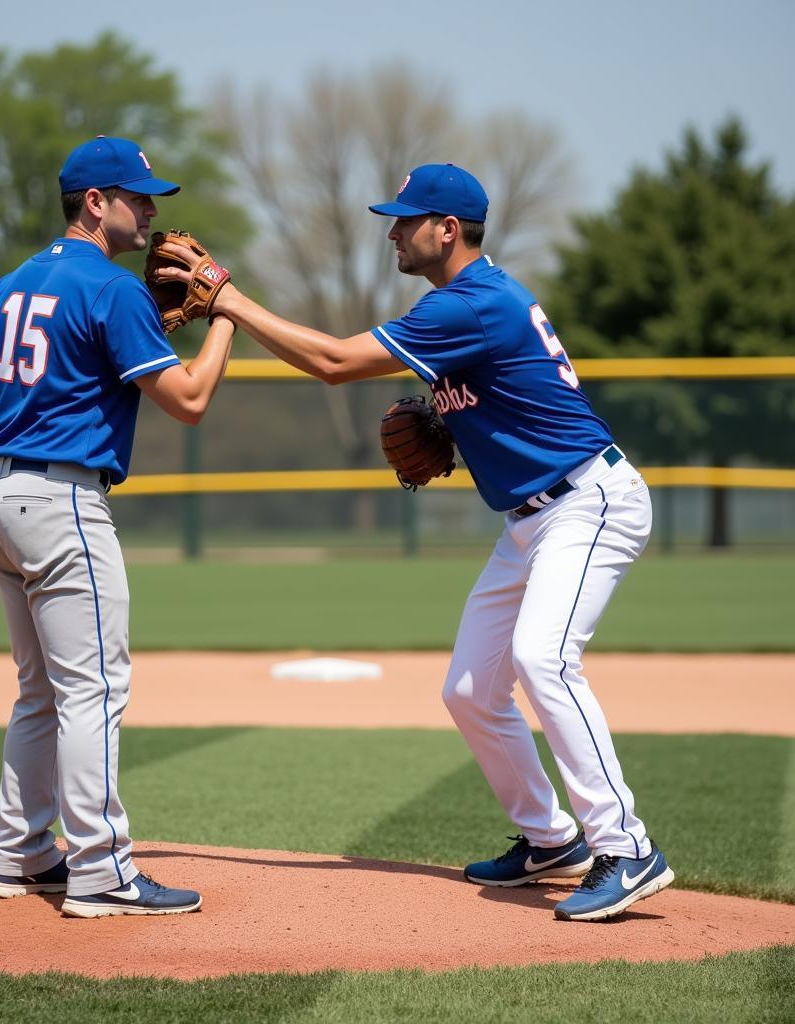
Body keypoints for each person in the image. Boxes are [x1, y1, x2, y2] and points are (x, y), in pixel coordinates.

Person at [156, 163, 673, 922]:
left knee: (543, 659)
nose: (394, 231)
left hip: (589, 503)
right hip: (532, 519)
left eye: (406, 219)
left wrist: (229, 300)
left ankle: (627, 847)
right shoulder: (459, 306)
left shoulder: (474, 303)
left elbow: (334, 364)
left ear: (447, 230)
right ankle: (550, 838)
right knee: (469, 690)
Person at [0, 135, 235, 918]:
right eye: (138, 196)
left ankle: (20, 854)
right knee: (92, 691)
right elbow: (190, 400)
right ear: (95, 202)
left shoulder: (14, 282)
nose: (152, 211)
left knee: (39, 692)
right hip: (62, 507)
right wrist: (226, 314)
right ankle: (101, 872)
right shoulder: (113, 287)